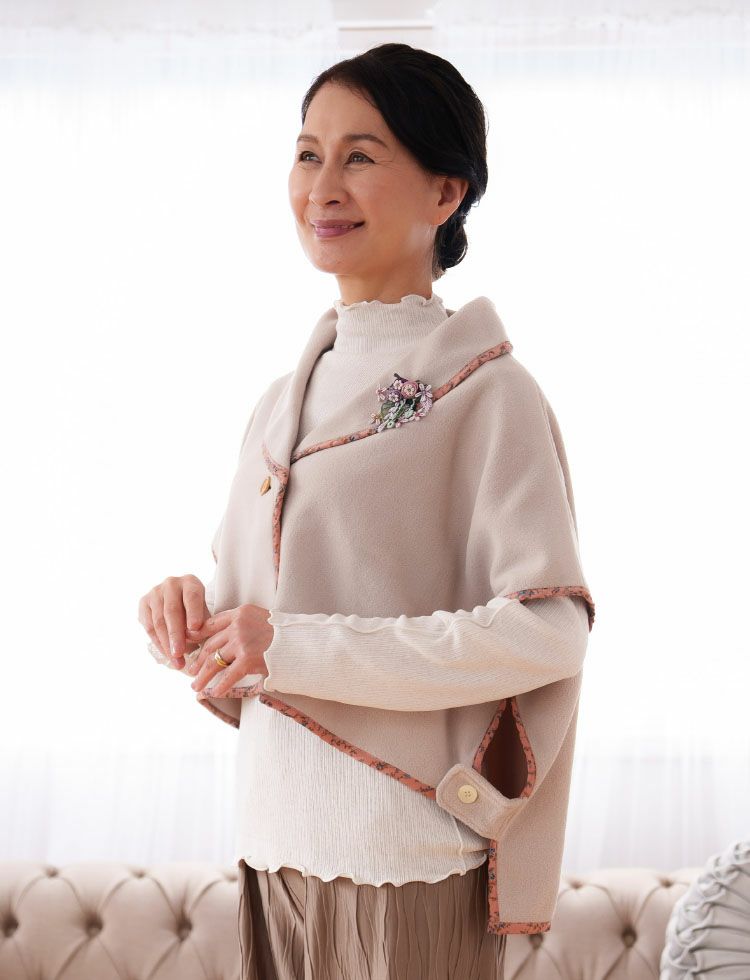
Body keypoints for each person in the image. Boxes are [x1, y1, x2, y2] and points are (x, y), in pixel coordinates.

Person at [139, 42, 594, 980]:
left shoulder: (491, 394)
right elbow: (258, 631)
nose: (322, 187)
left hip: (403, 857)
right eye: (308, 153)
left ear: (446, 192)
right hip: (272, 850)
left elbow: (549, 632)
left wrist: (289, 645)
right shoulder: (279, 401)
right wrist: (188, 615)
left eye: (360, 156)